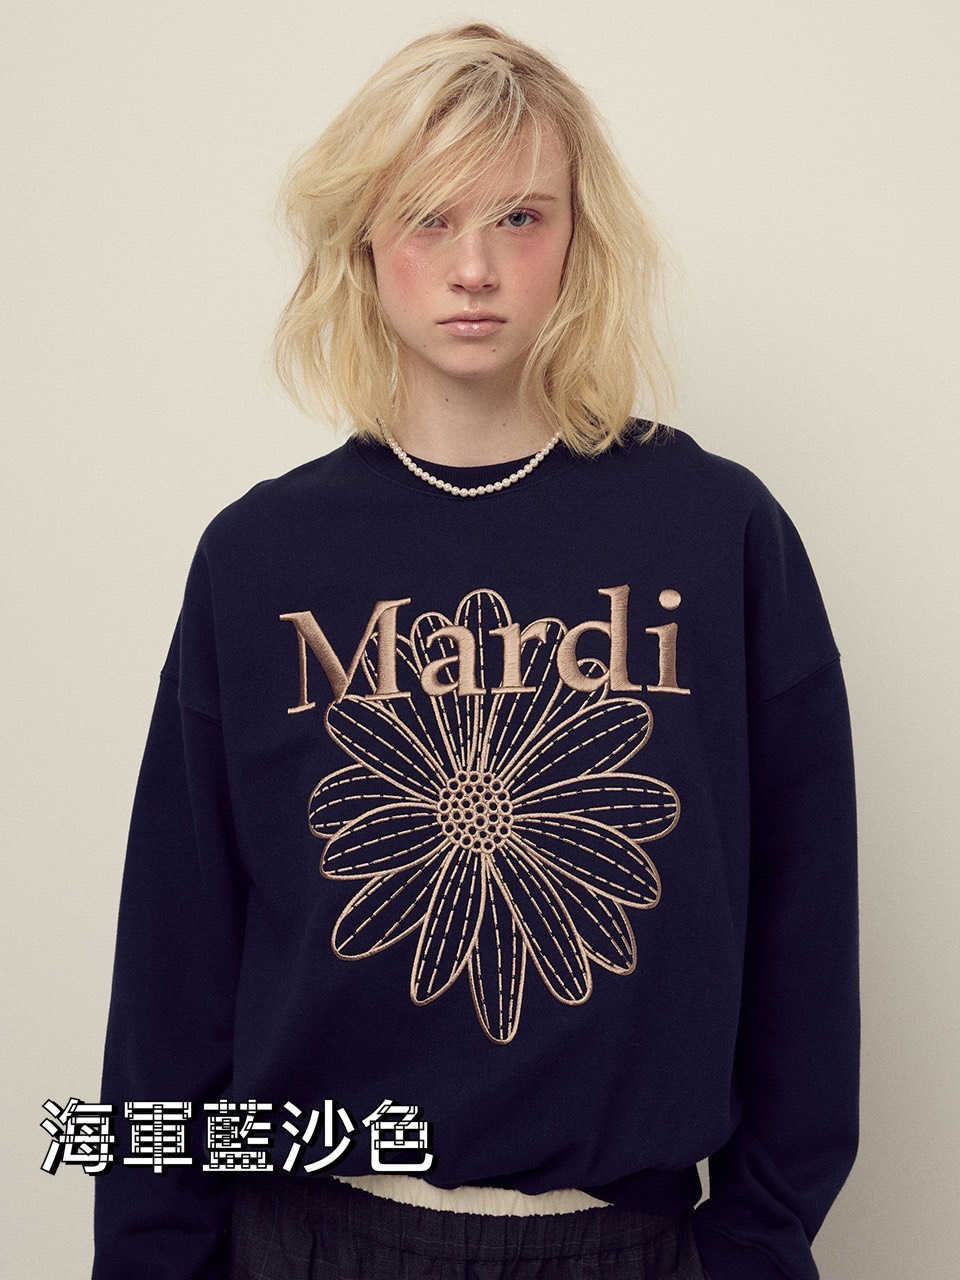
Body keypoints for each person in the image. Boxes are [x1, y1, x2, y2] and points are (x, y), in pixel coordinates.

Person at [92, 22, 859, 1280]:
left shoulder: (718, 530)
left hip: (632, 1239)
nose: (474, 267)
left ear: (578, 240)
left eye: (519, 217)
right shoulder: (260, 557)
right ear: (362, 237)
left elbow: (805, 925)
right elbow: (174, 974)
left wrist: (753, 1245)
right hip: (312, 1232)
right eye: (429, 217)